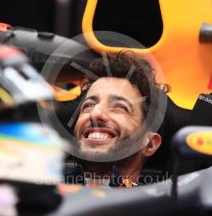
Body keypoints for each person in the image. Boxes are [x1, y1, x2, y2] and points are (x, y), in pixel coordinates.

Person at [64, 51, 170, 187]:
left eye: (119, 107)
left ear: (149, 144)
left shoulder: (163, 207)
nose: (95, 114)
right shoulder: (36, 192)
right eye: (89, 105)